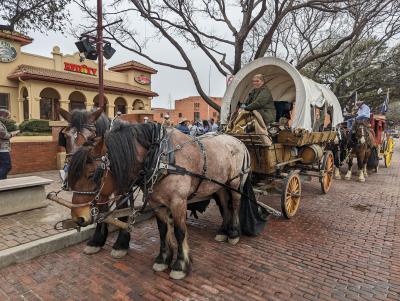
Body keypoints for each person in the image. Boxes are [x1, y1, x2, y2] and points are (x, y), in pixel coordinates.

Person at [0, 109, 19, 180]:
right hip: (2, 148)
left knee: (2, 166)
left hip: (2, 148)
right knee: (7, 166)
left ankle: (3, 184)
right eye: (7, 117)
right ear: (2, 115)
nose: (8, 119)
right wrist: (14, 133)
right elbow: (4, 135)